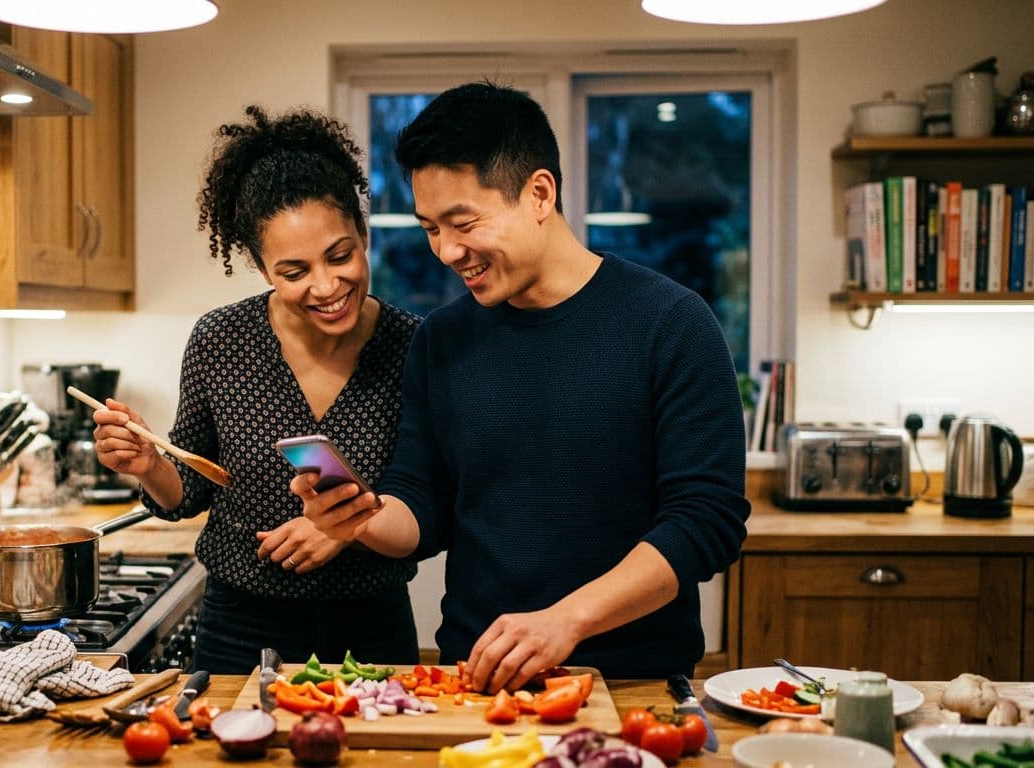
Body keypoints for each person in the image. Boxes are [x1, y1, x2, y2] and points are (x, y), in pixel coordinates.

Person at [293, 82, 750, 692]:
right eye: (430, 227)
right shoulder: (442, 339)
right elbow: (422, 505)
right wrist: (363, 519)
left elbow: (706, 521)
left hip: (635, 684)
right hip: (479, 679)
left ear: (539, 193)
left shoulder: (671, 323)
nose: (447, 251)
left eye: (464, 222)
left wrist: (566, 621)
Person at [92, 105, 421, 674]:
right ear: (263, 268)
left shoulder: (412, 345)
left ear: (363, 233)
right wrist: (148, 464)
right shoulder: (222, 339)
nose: (326, 285)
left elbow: (425, 502)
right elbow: (190, 490)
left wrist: (341, 529)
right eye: (294, 272)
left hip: (373, 623)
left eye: (340, 255)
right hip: (240, 624)